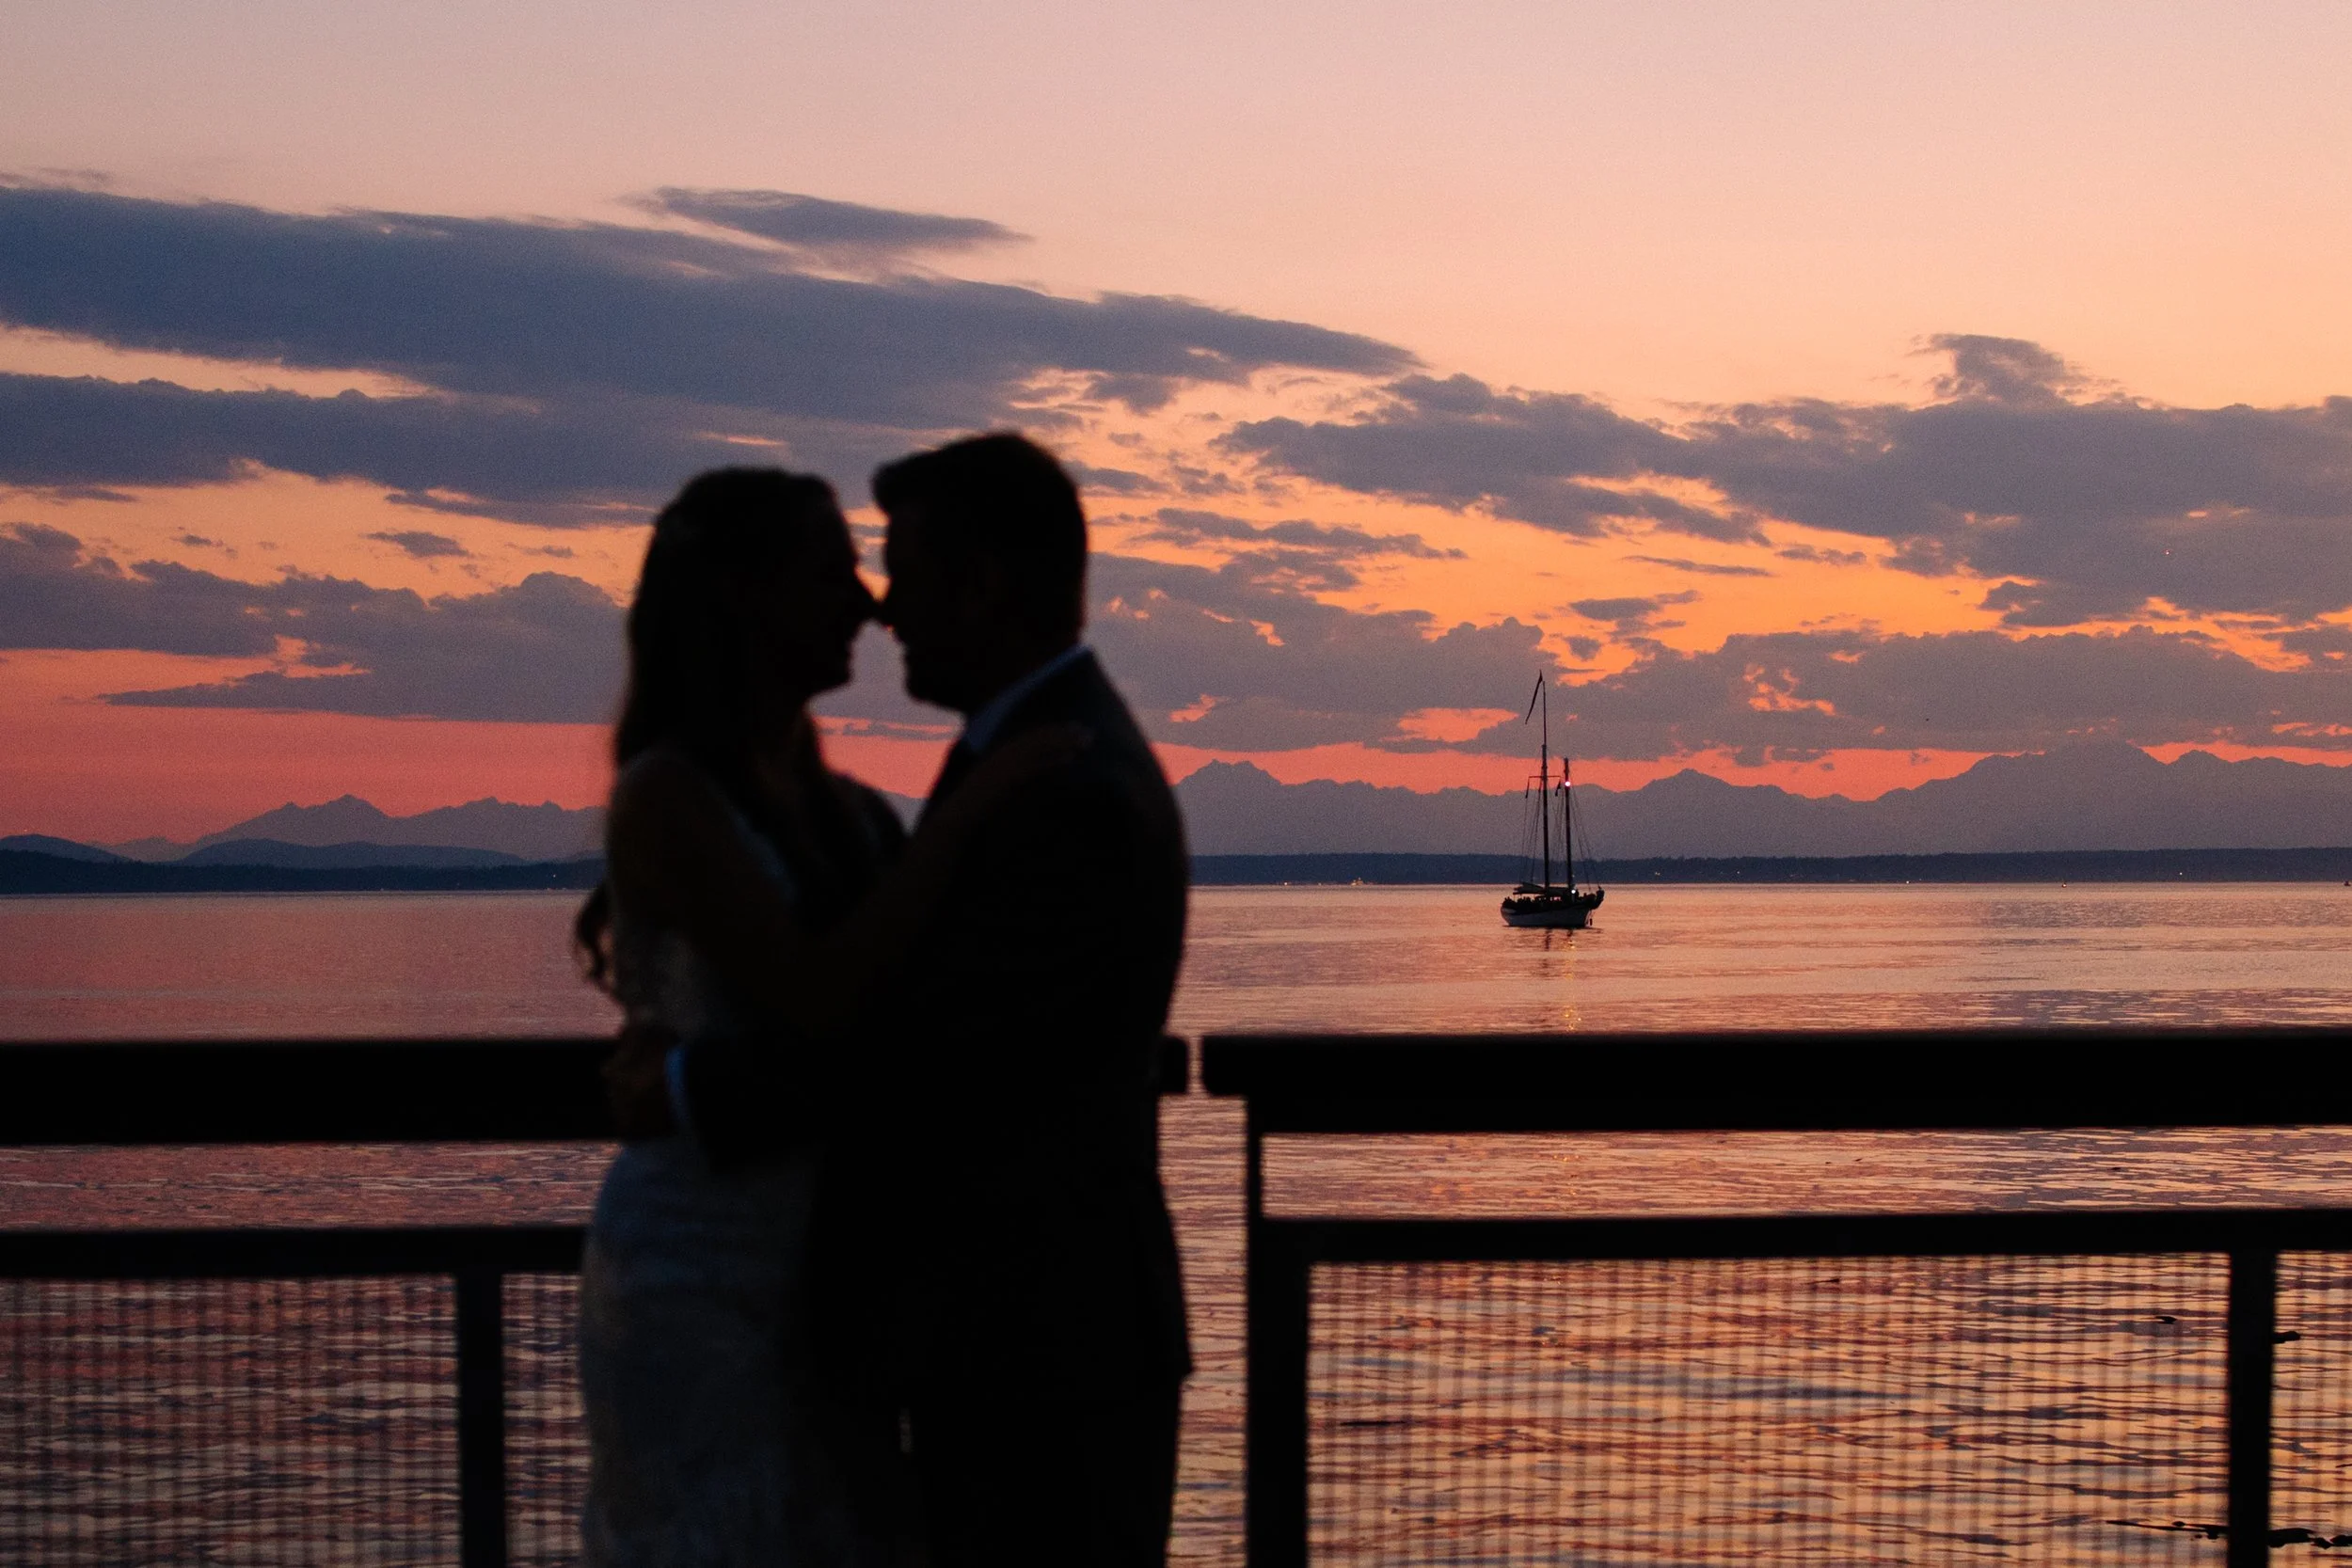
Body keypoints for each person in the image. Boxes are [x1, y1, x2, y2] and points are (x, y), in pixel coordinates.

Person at [666, 434, 1192, 1568]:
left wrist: (686, 1083)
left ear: (985, 580)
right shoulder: (1038, 759)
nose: (885, 610)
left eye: (903, 570)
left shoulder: (1063, 790)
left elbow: (941, 1059)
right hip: (1031, 1347)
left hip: (1039, 1358)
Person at [575, 466, 1073, 1567]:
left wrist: (685, 1080)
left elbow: (923, 1006)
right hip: (696, 1264)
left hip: (822, 1273)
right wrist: (976, 798)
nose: (868, 600)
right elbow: (822, 997)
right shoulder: (667, 796)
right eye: (830, 571)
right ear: (744, 597)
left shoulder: (841, 809)